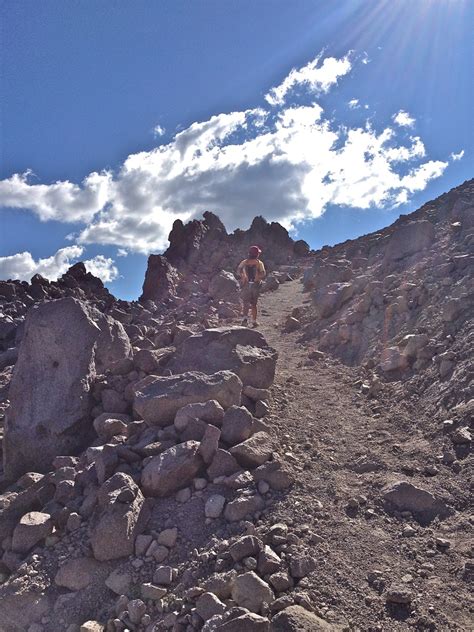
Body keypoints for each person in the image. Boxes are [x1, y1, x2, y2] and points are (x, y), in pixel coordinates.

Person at [237, 245, 266, 327]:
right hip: (255, 285)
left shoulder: (244, 262)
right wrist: (258, 277)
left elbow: (238, 271)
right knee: (254, 304)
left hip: (246, 284)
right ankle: (254, 321)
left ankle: (244, 320)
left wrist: (243, 276)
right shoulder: (259, 263)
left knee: (245, 303)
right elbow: (263, 273)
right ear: (257, 254)